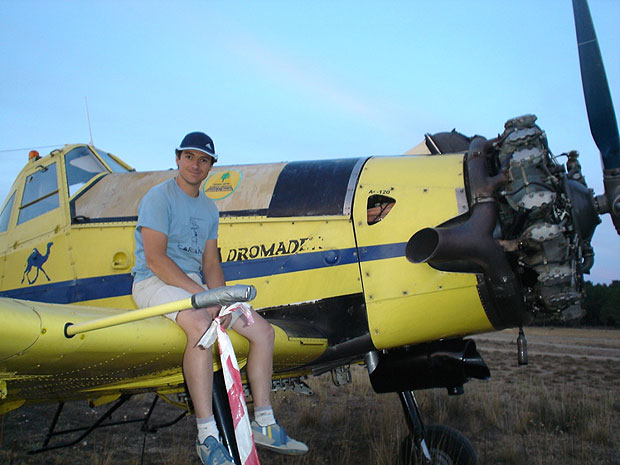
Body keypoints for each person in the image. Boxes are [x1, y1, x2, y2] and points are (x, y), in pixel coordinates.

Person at [131, 132, 308, 465]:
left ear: (212, 166)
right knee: (201, 326)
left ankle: (264, 422)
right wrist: (204, 297)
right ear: (177, 158)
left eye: (204, 159)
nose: (195, 165)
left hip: (195, 285)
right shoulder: (158, 198)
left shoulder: (209, 209)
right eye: (190, 157)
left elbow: (211, 263)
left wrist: (222, 299)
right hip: (153, 282)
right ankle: (206, 435)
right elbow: (155, 259)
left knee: (262, 331)